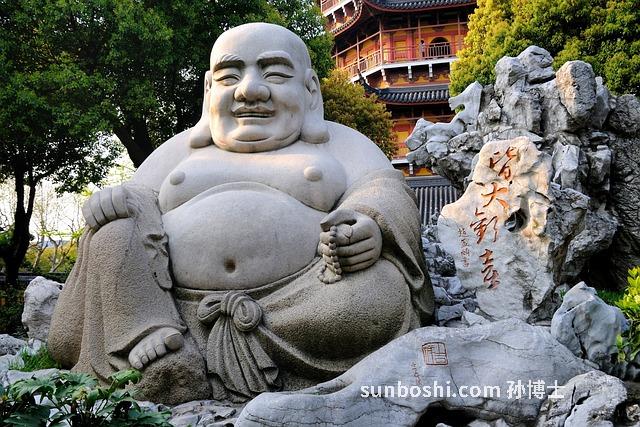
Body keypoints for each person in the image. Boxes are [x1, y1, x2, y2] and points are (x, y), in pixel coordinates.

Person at [48, 23, 434, 404]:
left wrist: (367, 222)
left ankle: (193, 354)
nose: (249, 90)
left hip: (301, 302)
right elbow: (137, 196)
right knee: (113, 230)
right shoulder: (181, 151)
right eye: (229, 76)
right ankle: (148, 335)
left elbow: (384, 189)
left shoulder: (341, 144)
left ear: (310, 89)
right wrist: (115, 201)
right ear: (209, 91)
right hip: (175, 308)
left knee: (380, 292)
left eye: (275, 74)